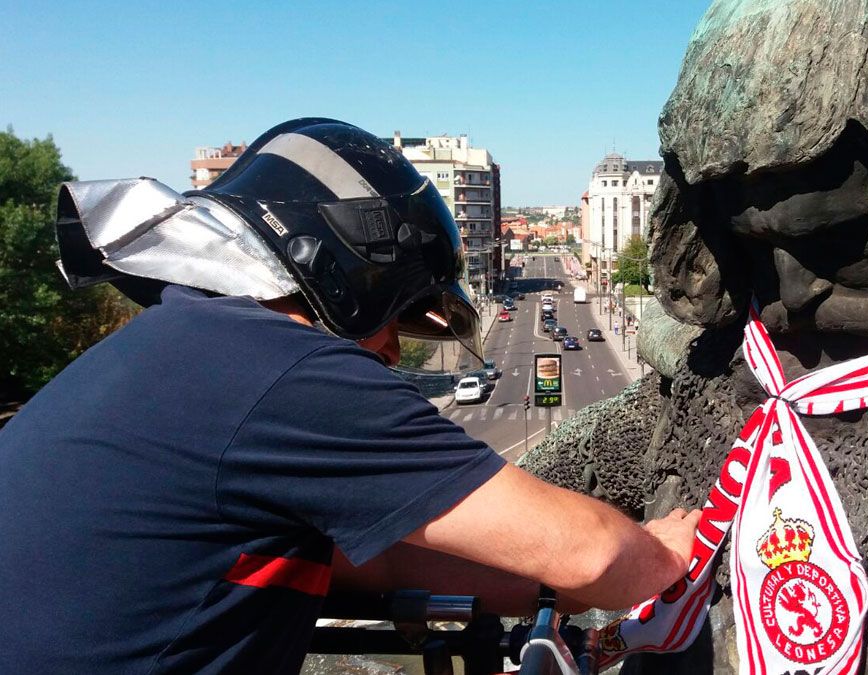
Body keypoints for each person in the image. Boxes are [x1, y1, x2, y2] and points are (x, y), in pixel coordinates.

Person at [0, 118, 699, 674]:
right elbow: (596, 554)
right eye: (398, 314)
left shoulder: (188, 348)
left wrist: (561, 591)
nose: (394, 349)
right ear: (347, 272)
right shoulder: (286, 370)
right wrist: (665, 553)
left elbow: (385, 562)